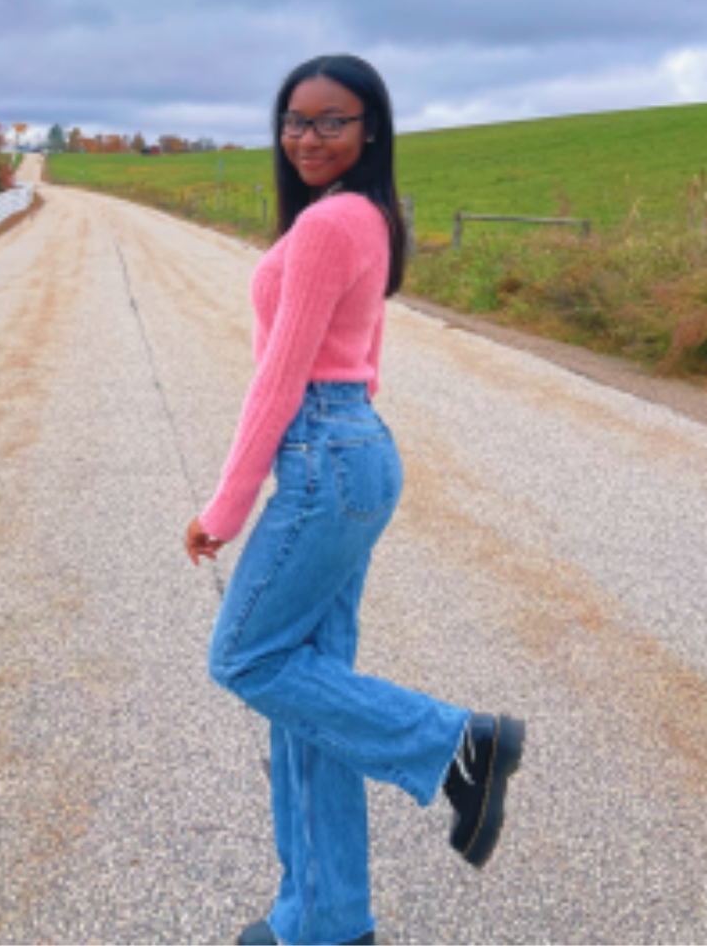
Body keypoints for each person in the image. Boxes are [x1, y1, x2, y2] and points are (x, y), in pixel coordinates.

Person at [184, 55, 525, 946]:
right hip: (351, 446)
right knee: (312, 697)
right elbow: (361, 356)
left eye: (331, 121)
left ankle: (453, 745)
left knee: (247, 662)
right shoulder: (366, 216)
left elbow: (279, 379)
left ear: (369, 129)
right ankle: (328, 921)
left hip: (324, 454)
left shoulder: (335, 222)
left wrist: (224, 510)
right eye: (294, 120)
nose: (307, 136)